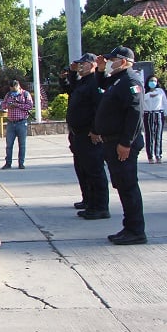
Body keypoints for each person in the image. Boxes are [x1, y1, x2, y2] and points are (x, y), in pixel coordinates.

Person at [93, 46, 146, 245]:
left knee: (128, 186)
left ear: (123, 61)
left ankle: (136, 230)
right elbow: (102, 85)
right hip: (113, 141)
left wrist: (126, 143)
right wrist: (99, 69)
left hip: (123, 143)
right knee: (122, 186)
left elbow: (135, 114)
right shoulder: (118, 80)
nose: (109, 63)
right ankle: (129, 227)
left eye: (111, 60)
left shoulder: (130, 81)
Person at [60, 53, 109, 219]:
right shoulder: (83, 81)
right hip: (77, 134)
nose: (81, 66)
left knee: (94, 171)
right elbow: (70, 88)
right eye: (80, 64)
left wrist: (96, 130)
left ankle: (100, 206)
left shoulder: (96, 81)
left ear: (93, 65)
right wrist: (71, 73)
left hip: (89, 134)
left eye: (84, 64)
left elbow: (99, 108)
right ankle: (89, 201)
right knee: (83, 169)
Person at [0, 80, 34, 169]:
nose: (12, 90)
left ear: (18, 86)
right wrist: (8, 105)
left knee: (22, 145)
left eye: (14, 88)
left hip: (22, 122)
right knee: (9, 145)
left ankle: (21, 163)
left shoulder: (25, 94)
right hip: (11, 123)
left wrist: (17, 105)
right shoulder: (8, 95)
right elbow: (3, 105)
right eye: (11, 88)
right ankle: (8, 163)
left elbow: (30, 106)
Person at [142, 74, 167, 164]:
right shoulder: (144, 91)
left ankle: (158, 155)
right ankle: (150, 156)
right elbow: (140, 100)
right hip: (148, 114)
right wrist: (149, 95)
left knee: (158, 135)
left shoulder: (160, 91)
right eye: (151, 81)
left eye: (154, 81)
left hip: (158, 113)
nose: (153, 83)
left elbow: (165, 103)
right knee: (149, 135)